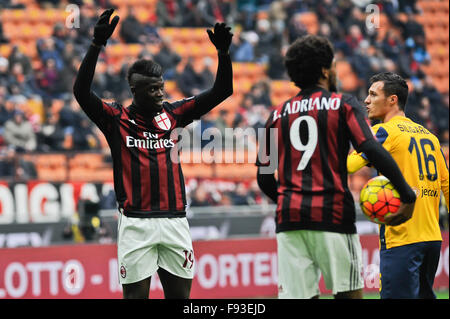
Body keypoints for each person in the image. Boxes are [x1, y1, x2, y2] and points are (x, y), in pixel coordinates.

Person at [73, 9, 233, 299]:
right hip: (136, 224)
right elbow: (81, 92)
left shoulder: (174, 114)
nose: (160, 94)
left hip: (175, 222)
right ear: (135, 90)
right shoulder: (116, 118)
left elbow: (223, 90)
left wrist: (223, 53)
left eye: (161, 88)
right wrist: (96, 46)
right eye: (152, 90)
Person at [255, 35, 417, 299]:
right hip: (333, 216)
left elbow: (263, 177)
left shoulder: (275, 116)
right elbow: (371, 148)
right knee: (348, 294)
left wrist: (288, 200)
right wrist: (406, 193)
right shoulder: (343, 105)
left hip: (290, 222)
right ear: (324, 70)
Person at [347, 72, 449, 299]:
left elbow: (350, 165)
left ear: (392, 99)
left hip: (402, 237)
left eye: (373, 94)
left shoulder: (383, 132)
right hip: (432, 240)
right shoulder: (430, 136)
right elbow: (447, 184)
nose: (366, 100)